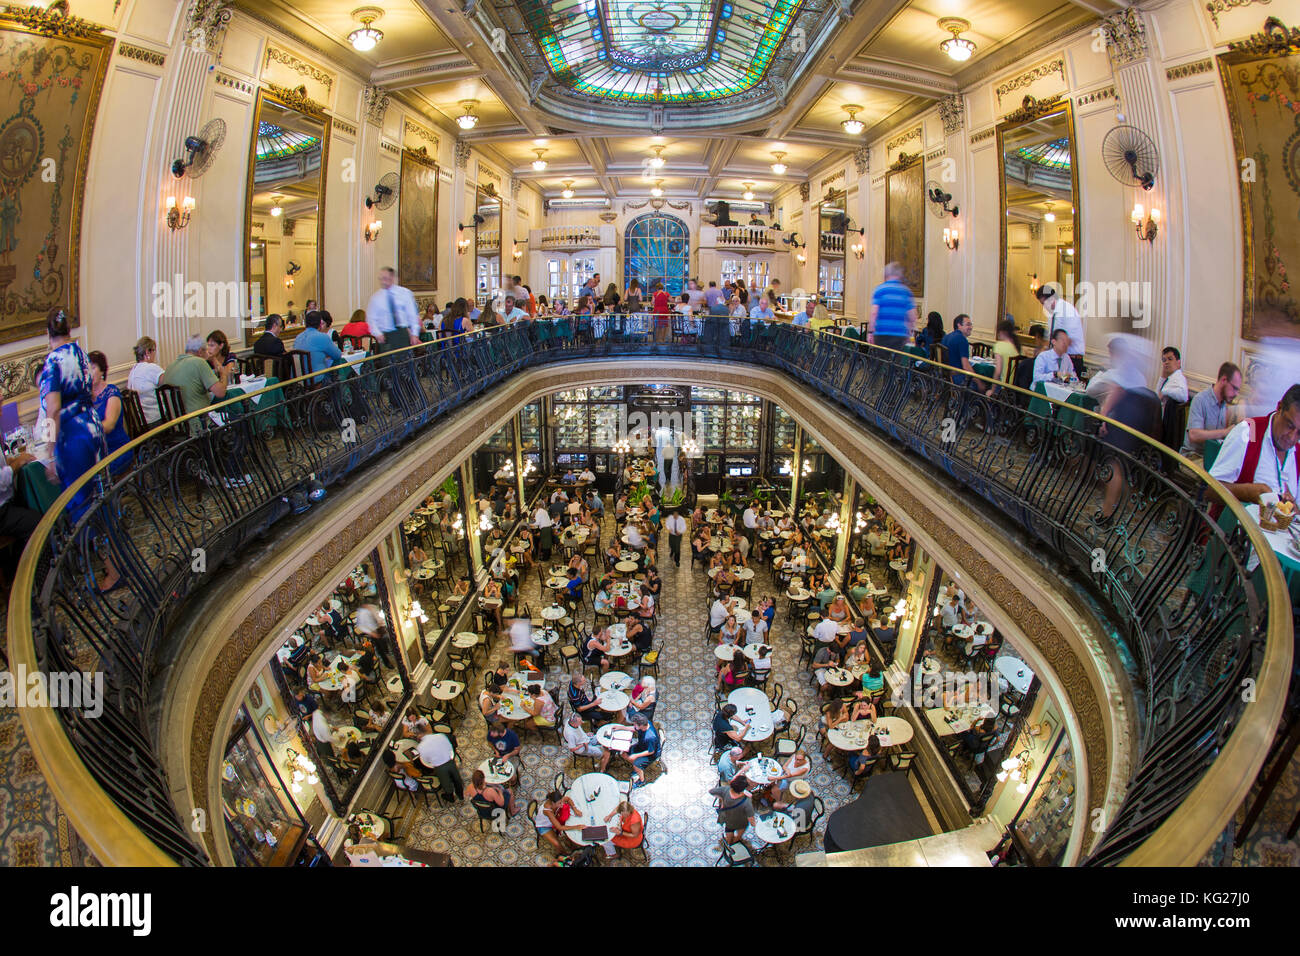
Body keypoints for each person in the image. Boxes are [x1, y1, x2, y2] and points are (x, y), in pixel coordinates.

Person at [36, 309, 107, 523]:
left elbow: (53, 408)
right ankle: (110, 548)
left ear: (48, 333)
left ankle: (94, 551)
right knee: (101, 493)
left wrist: (49, 451)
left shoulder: (53, 361)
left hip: (73, 438)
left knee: (81, 502)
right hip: (93, 427)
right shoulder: (81, 355)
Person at [1209, 383, 1300, 506]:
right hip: (1235, 524)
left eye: (1299, 433)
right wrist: (1246, 492)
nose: (1292, 437)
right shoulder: (1247, 432)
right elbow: (1208, 490)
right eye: (1289, 426)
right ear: (1279, 407)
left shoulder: (1297, 453)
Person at [161, 334, 229, 426]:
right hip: (200, 422)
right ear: (200, 352)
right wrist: (223, 374)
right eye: (206, 350)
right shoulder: (199, 362)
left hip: (176, 425)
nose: (208, 353)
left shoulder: (170, 366)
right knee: (237, 414)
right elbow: (220, 392)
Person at [85, 351, 132, 477]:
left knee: (90, 475)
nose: (89, 372)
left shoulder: (111, 392)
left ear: (102, 371)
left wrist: (86, 432)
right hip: (96, 452)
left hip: (116, 450)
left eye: (93, 368)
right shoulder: (86, 397)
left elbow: (109, 425)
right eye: (87, 369)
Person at [1181, 362, 1243, 457]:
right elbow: (1194, 435)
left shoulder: (1223, 404)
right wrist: (1225, 432)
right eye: (1234, 388)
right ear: (1224, 380)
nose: (1236, 394)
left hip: (1210, 455)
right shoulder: (1200, 399)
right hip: (1193, 457)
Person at [365, 266, 421, 355]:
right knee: (389, 364)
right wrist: (377, 333)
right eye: (381, 279)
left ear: (392, 278)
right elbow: (371, 319)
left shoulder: (404, 293)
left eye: (385, 278)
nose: (383, 281)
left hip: (403, 334)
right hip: (386, 337)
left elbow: (412, 315)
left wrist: (414, 334)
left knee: (405, 364)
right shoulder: (376, 298)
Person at [1035, 283, 1086, 377]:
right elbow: (1051, 337)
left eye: (1043, 303)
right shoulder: (1052, 314)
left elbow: (1068, 340)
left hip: (1072, 359)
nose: (1044, 307)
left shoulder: (1067, 310)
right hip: (1059, 358)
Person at [869, 261, 917, 351]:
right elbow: (913, 316)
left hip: (882, 334)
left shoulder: (880, 290)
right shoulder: (906, 291)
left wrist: (870, 332)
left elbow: (874, 313)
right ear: (900, 275)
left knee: (880, 362)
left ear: (886, 274)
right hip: (900, 335)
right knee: (896, 363)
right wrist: (909, 334)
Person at [293, 310, 343, 383]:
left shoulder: (298, 337)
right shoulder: (322, 337)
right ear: (320, 324)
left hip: (299, 380)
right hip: (317, 379)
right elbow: (337, 355)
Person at [127, 336, 166, 425]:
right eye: (154, 350)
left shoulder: (133, 370)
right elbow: (169, 383)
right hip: (156, 420)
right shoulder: (151, 368)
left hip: (141, 423)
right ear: (148, 351)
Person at [942, 314, 986, 392]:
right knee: (984, 383)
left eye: (971, 325)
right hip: (957, 378)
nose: (971, 327)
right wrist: (979, 382)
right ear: (959, 325)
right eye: (968, 325)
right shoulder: (962, 339)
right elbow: (966, 366)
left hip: (945, 377)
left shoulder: (946, 337)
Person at [415, 730, 464, 800]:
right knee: (457, 779)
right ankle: (460, 795)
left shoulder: (421, 747)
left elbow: (425, 759)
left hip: (440, 767)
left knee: (446, 782)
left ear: (419, 735)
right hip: (450, 761)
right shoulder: (440, 736)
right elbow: (449, 747)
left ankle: (450, 797)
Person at [709, 774, 755, 845]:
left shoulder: (725, 789)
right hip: (740, 822)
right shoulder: (746, 801)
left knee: (729, 834)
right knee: (738, 836)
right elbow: (751, 820)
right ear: (743, 789)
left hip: (728, 819)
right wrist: (755, 825)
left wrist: (722, 798)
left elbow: (711, 791)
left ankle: (729, 845)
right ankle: (736, 842)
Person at [622, 713, 661, 784]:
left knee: (636, 765)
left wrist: (636, 756)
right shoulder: (646, 724)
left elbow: (651, 751)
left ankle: (642, 780)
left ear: (641, 725)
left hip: (650, 754)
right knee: (624, 753)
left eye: (635, 724)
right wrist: (622, 728)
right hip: (642, 746)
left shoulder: (650, 737)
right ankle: (637, 767)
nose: (634, 725)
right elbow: (634, 728)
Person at [992, 320, 1020, 385]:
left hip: (1003, 385)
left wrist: (992, 389)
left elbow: (998, 372)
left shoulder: (999, 345)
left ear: (1001, 331)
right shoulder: (1017, 346)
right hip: (1015, 386)